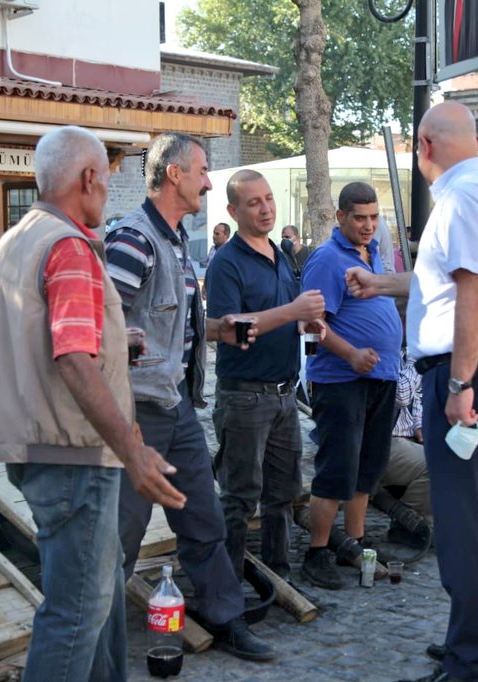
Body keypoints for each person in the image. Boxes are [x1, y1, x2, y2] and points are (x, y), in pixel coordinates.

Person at [0, 126, 186, 682]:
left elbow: (16, 342)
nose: (108, 190)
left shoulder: (16, 239)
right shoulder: (68, 245)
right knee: (77, 612)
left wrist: (118, 344)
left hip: (36, 445)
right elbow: (72, 358)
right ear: (89, 178)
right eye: (107, 178)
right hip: (74, 453)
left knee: (101, 603)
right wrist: (133, 450)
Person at [347, 101, 478, 682]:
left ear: (422, 145)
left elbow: (476, 294)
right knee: (469, 517)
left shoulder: (460, 197)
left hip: (466, 372)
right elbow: (447, 284)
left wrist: (459, 383)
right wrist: (381, 283)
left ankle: (468, 661)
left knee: (457, 524)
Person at [104, 132, 275, 661]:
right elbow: (101, 324)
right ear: (173, 174)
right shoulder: (133, 239)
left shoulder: (176, 239)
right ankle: (96, 642)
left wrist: (219, 329)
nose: (207, 180)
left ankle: (224, 617)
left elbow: (165, 325)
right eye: (201, 170)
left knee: (202, 517)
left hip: (175, 406)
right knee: (120, 537)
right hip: (136, 414)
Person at [205, 169, 325, 579]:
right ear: (233, 211)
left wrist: (307, 325)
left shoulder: (280, 254)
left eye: (269, 198)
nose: (265, 207)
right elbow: (229, 327)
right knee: (239, 498)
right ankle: (228, 588)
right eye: (253, 202)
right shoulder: (226, 262)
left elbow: (283, 318)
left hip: (283, 394)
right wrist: (293, 312)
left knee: (283, 496)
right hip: (244, 397)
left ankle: (278, 578)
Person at [299, 181, 402, 591]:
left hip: (381, 377)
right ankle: (317, 551)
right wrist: (351, 355)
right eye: (360, 217)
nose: (368, 225)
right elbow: (312, 324)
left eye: (374, 217)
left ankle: (356, 545)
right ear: (340, 217)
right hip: (341, 379)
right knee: (337, 469)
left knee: (367, 468)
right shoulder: (327, 258)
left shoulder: (374, 253)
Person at [377, 347, 431, 529]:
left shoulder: (406, 352)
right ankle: (407, 522)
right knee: (435, 465)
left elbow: (417, 396)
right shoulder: (384, 347)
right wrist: (416, 361)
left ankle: (424, 522)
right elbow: (400, 394)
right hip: (381, 441)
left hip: (402, 438)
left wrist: (419, 425)